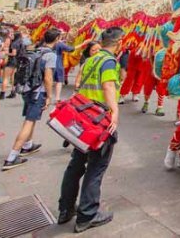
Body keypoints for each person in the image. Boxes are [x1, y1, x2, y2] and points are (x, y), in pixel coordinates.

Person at [57, 27, 122, 233]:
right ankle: (88, 214)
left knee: (76, 164)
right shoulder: (109, 61)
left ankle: (65, 209)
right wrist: (114, 113)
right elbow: (108, 86)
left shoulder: (91, 59)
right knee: (96, 168)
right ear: (119, 43)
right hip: (99, 122)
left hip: (82, 119)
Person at [2, 28, 59, 170]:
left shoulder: (35, 50)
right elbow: (48, 77)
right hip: (37, 92)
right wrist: (49, 96)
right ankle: (12, 156)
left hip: (27, 90)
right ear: (57, 39)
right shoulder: (50, 55)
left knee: (31, 119)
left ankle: (28, 145)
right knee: (29, 122)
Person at [52, 33, 76, 103]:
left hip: (49, 62)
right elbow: (71, 49)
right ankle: (57, 98)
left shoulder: (46, 43)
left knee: (48, 79)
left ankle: (47, 96)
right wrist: (83, 44)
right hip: (58, 63)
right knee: (59, 81)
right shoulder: (59, 44)